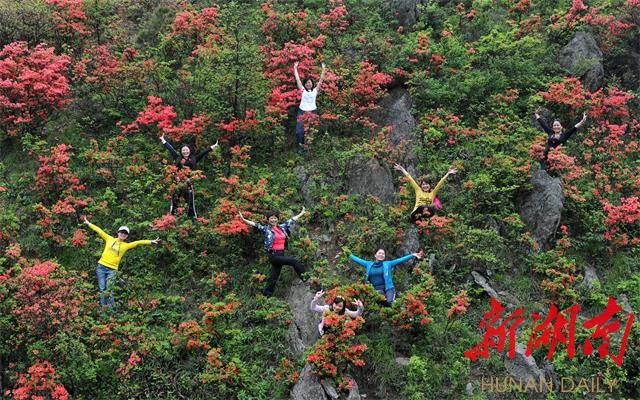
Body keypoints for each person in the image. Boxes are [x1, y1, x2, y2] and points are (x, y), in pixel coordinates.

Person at [83, 217, 160, 307]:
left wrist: (150, 242)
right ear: (118, 232)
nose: (123, 234)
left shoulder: (126, 246)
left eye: (125, 233)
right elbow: (99, 231)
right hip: (101, 267)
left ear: (127, 236)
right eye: (122, 232)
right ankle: (103, 310)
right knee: (102, 289)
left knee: (110, 290)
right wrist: (89, 224)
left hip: (112, 270)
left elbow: (138, 242)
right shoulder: (109, 239)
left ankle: (111, 311)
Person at [238, 207, 307, 297]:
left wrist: (302, 213)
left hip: (281, 254)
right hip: (274, 255)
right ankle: (306, 278)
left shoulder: (282, 227)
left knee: (274, 277)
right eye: (271, 218)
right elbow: (255, 225)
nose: (273, 220)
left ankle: (266, 295)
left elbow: (292, 220)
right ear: (268, 220)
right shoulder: (266, 229)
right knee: (293, 261)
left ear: (277, 219)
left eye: (275, 218)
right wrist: (244, 219)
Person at [160, 134, 218, 218]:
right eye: (183, 150)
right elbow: (171, 149)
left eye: (186, 150)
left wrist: (212, 147)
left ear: (189, 151)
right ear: (181, 151)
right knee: (175, 199)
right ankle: (172, 217)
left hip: (189, 182)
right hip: (178, 182)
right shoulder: (178, 158)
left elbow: (203, 153)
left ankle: (191, 217)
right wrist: (163, 140)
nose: (185, 152)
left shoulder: (194, 159)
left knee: (190, 200)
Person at [348, 248, 423, 305]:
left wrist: (412, 255)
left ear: (384, 256)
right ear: (375, 255)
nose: (381, 254)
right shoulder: (368, 264)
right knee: (379, 302)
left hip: (388, 288)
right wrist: (348, 253)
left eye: (383, 254)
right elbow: (357, 259)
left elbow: (400, 260)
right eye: (379, 253)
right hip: (375, 290)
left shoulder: (388, 264)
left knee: (389, 302)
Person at [293, 61, 326, 146]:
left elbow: (321, 79)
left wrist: (323, 69)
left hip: (312, 111)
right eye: (307, 83)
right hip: (302, 111)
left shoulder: (315, 90)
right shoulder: (302, 90)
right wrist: (295, 68)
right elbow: (297, 79)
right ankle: (300, 145)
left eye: (310, 82)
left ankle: (308, 146)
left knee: (310, 130)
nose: (308, 84)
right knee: (299, 131)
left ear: (312, 84)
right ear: (305, 84)